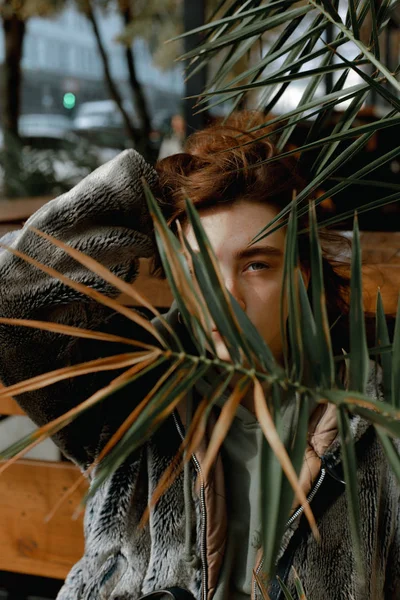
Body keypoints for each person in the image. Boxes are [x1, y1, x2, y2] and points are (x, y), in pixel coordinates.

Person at [0, 113, 398, 600]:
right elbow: (10, 298)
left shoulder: (374, 426)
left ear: (303, 273)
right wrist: (139, 195)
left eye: (256, 265)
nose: (225, 295)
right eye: (199, 269)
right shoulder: (129, 391)